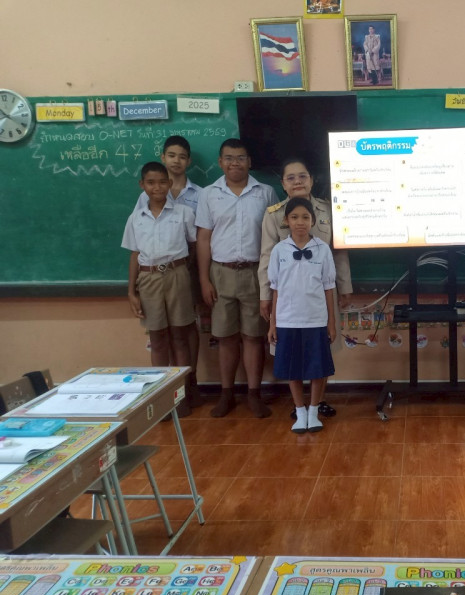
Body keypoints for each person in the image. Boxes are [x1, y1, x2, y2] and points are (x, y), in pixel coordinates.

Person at [258, 158, 353, 420]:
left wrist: (345, 285)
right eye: (291, 178)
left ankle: (317, 402)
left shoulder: (327, 209)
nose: (297, 181)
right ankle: (300, 405)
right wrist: (265, 295)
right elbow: (266, 257)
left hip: (321, 292)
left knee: (321, 347)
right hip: (288, 299)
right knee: (293, 350)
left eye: (302, 176)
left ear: (311, 180)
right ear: (283, 184)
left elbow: (338, 251)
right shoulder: (274, 214)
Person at [195, 139, 279, 418]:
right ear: (220, 162)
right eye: (229, 158)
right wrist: (204, 280)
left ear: (249, 161)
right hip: (221, 273)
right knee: (225, 337)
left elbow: (275, 236)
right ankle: (227, 394)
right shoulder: (208, 194)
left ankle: (254, 394)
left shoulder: (266, 193)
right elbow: (203, 239)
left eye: (241, 158)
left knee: (254, 336)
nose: (235, 163)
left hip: (256, 272)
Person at [122, 162, 196, 416]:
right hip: (149, 278)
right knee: (157, 339)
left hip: (177, 275)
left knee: (180, 336)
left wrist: (186, 275)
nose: (157, 187)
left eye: (162, 182)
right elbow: (134, 255)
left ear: (170, 183)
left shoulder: (184, 213)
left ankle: (182, 394)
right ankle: (162, 397)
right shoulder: (136, 218)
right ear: (142, 185)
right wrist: (131, 291)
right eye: (151, 183)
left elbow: (194, 246)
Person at [135, 136, 204, 408]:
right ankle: (167, 391)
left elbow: (197, 241)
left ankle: (189, 382)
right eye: (171, 155)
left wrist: (194, 272)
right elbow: (138, 243)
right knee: (162, 334)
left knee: (187, 328)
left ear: (189, 161)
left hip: (186, 270)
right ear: (163, 157)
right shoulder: (144, 199)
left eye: (182, 156)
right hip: (155, 276)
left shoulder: (199, 195)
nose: (176, 161)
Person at [267, 197, 337, 433]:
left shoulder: (322, 249)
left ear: (313, 221)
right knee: (292, 368)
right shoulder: (279, 250)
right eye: (295, 217)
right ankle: (300, 412)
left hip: (315, 319)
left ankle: (314, 411)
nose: (300, 222)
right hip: (287, 320)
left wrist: (331, 322)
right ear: (286, 221)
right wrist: (273, 324)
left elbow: (329, 288)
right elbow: (275, 289)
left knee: (317, 368)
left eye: (305, 217)